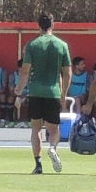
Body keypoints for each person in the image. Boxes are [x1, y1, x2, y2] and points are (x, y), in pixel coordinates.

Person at [20, 13, 73, 174]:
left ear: (39, 26)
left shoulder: (32, 45)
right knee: (54, 128)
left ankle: (38, 163)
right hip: (53, 91)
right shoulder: (61, 45)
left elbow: (25, 70)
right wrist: (63, 93)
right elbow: (68, 72)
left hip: (36, 90)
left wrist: (19, 90)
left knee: (36, 128)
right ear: (53, 25)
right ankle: (52, 147)